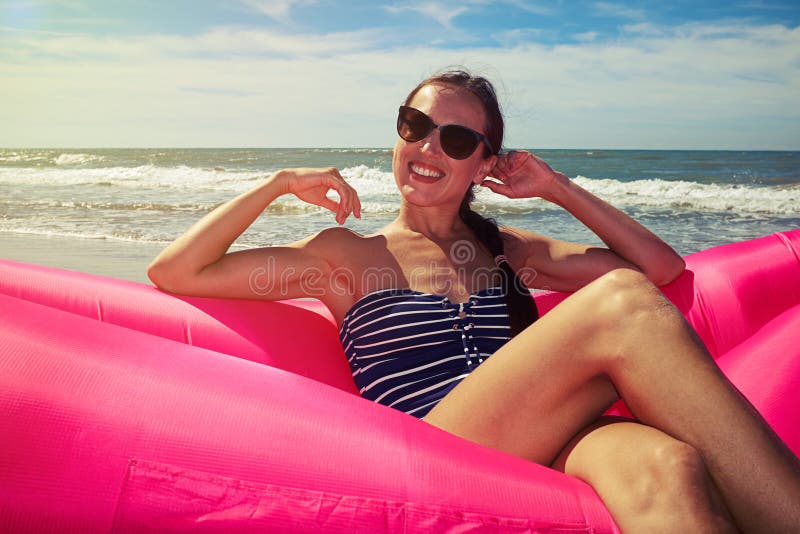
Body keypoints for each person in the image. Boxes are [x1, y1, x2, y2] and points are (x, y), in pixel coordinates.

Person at [148, 69, 800, 533]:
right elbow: (177, 270)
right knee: (620, 303)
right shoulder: (342, 257)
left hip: (548, 438)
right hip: (432, 446)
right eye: (415, 126)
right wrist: (280, 184)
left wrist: (557, 188)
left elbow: (662, 268)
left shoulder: (507, 248)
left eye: (457, 141)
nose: (429, 147)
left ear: (483, 164)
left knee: (668, 466)